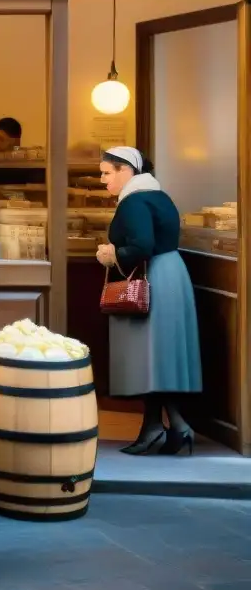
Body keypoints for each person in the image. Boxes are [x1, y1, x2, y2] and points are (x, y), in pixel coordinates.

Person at [95, 147, 202, 456]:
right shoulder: (158, 196)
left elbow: (142, 245)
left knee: (150, 355)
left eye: (107, 172)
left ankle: (160, 428)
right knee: (158, 356)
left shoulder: (133, 202)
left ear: (126, 171)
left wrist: (111, 254)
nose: (103, 180)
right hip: (171, 274)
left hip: (151, 278)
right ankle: (168, 426)